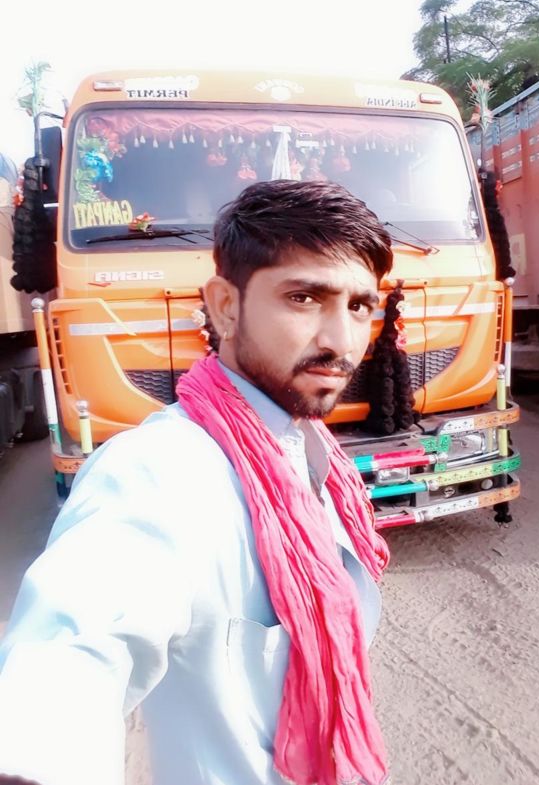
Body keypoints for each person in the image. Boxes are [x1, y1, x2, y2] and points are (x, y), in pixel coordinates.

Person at [0, 180, 394, 785]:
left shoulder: (314, 454)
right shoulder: (161, 469)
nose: (341, 341)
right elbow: (71, 648)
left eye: (360, 307)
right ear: (225, 306)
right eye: (304, 298)